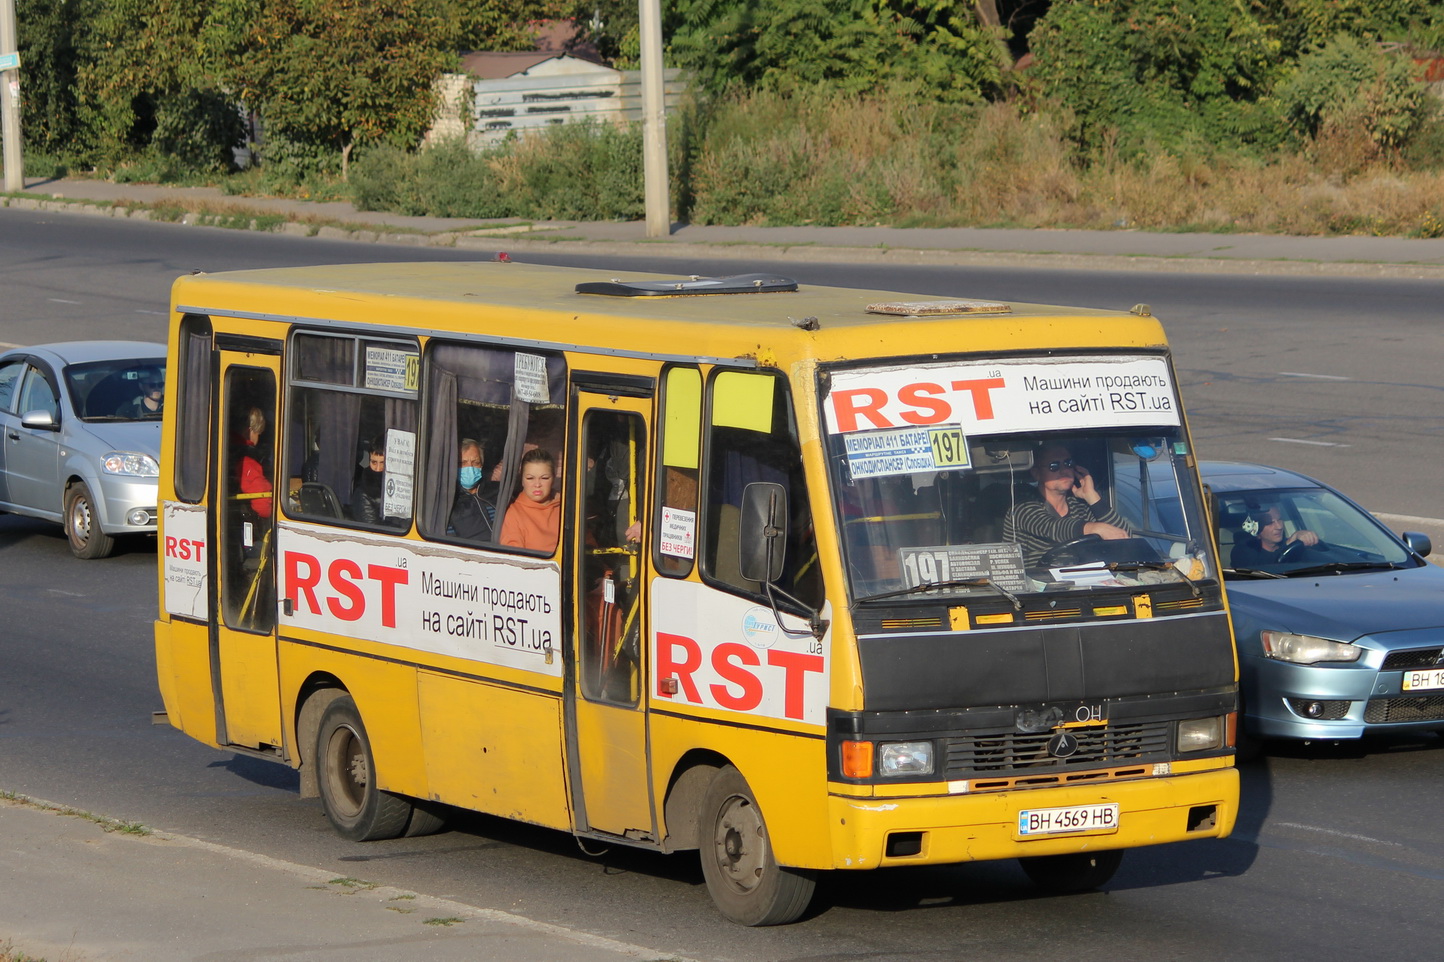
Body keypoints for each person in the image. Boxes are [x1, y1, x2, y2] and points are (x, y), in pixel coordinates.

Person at [1003, 442, 1130, 566]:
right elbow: (1051, 527)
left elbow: (1123, 535)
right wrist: (1095, 528)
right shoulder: (1023, 506)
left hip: (1083, 582)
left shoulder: (1080, 506)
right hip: (1035, 584)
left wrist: (1092, 496)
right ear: (1037, 473)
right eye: (1054, 466)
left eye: (1068, 463)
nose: (1064, 470)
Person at [498, 448, 561, 552]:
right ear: (522, 480)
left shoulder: (567, 507)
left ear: (553, 479)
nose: (537, 484)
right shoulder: (514, 514)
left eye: (544, 478)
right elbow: (514, 558)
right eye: (530, 478)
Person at [1231, 505, 1318, 567]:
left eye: (1279, 520)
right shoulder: (1242, 551)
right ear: (1256, 528)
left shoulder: (1295, 547)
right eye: (1270, 522)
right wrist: (1289, 543)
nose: (1279, 526)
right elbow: (1261, 572)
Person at [448, 438, 495, 540]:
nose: (470, 467)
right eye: (462, 463)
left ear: (481, 465)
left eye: (475, 462)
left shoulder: (496, 492)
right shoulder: (450, 502)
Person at [238, 406, 272, 519]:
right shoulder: (248, 464)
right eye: (258, 432)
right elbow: (263, 508)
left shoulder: (229, 451)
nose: (259, 437)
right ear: (250, 431)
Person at [350, 439, 387, 524]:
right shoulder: (364, 493)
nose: (378, 469)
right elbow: (371, 529)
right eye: (374, 462)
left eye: (383, 463)